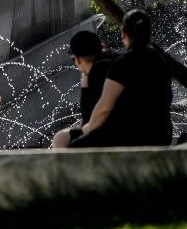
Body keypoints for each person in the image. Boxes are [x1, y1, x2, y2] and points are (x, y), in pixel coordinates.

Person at [70, 9, 173, 148]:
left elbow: (104, 107)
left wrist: (88, 128)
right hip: (162, 135)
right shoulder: (160, 61)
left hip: (131, 136)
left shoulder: (123, 63)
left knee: (72, 147)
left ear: (123, 33)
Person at [52, 30, 117, 148]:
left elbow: (89, 117)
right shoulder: (114, 59)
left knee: (61, 140)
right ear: (102, 47)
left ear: (77, 59)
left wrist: (85, 80)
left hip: (115, 132)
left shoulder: (97, 70)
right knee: (62, 137)